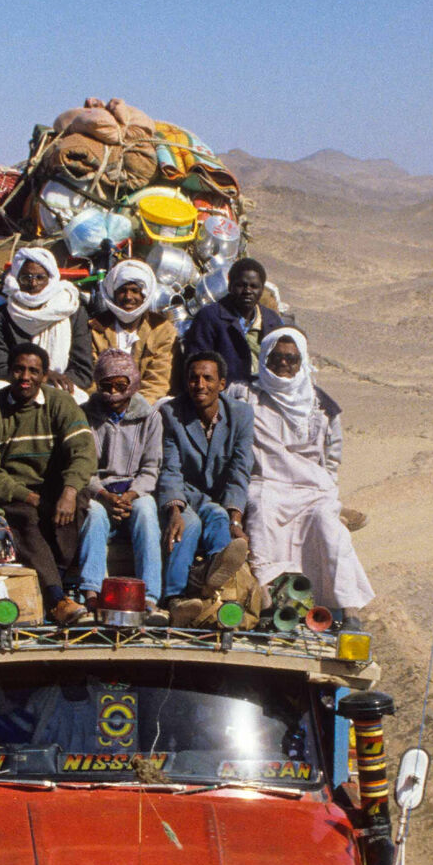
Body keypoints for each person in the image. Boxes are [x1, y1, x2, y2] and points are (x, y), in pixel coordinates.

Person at [243, 328, 374, 616]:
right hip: (267, 482)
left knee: (331, 528)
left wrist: (330, 492)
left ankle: (348, 611)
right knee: (260, 513)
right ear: (264, 358)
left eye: (291, 358)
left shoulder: (322, 406)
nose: (283, 364)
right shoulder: (247, 396)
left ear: (302, 361)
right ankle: (267, 602)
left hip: (312, 489)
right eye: (276, 357)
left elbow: (331, 458)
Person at [0, 341, 97, 623]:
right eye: (19, 369)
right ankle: (57, 598)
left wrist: (70, 490)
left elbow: (83, 451)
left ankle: (60, 580)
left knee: (79, 503)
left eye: (33, 371)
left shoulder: (60, 403)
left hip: (53, 487)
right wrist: (30, 497)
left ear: (44, 374)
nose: (25, 377)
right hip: (13, 493)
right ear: (9, 371)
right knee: (26, 518)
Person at [75, 349, 166, 619]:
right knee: (93, 515)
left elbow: (151, 468)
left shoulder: (150, 417)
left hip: (134, 490)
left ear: (132, 384)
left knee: (147, 512)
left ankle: (149, 596)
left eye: (120, 385)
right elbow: (84, 467)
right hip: (100, 489)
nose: (113, 392)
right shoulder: (86, 416)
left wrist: (132, 494)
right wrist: (103, 494)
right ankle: (91, 592)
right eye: (106, 386)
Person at [159, 349, 254, 600]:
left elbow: (240, 469)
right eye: (193, 378)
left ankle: (213, 582)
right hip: (186, 495)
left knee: (220, 517)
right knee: (190, 526)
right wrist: (175, 511)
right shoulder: (171, 414)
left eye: (207, 378)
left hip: (220, 497)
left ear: (222, 384)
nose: (200, 385)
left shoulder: (241, 415)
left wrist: (236, 519)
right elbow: (170, 468)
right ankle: (176, 598)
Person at [0, 247, 94, 395]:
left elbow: (83, 373)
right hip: (16, 385)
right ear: (16, 279)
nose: (33, 284)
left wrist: (47, 380)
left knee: (80, 398)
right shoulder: (4, 314)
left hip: (56, 387)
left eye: (40, 278)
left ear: (51, 278)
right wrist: (36, 377)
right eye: (26, 278)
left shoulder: (72, 310)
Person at [179, 258, 285, 386]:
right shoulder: (209, 318)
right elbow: (197, 367)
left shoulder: (272, 320)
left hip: (264, 393)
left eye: (254, 286)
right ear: (230, 286)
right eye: (241, 285)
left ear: (262, 289)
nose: (247, 291)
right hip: (223, 397)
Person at [88, 258, 179, 404]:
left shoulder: (162, 329)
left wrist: (130, 407)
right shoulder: (97, 328)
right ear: (114, 294)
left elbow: (157, 381)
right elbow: (92, 377)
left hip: (144, 404)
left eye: (135, 291)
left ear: (144, 295)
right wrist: (110, 402)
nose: (128, 297)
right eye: (122, 291)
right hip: (104, 403)